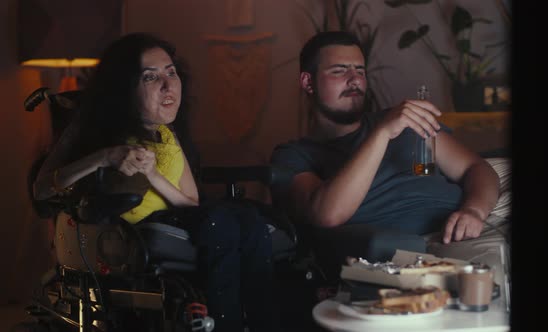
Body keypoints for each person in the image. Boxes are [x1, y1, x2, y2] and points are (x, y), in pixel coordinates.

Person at [33, 32, 276, 332]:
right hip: (124, 232)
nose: (167, 84)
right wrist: (104, 157)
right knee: (223, 222)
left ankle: (261, 320)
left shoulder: (167, 133)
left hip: (175, 217)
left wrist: (152, 175)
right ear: (125, 89)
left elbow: (190, 203)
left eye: (171, 72)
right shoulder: (89, 126)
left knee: (250, 217)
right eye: (150, 77)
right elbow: (41, 188)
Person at [270, 31, 501, 278]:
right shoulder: (294, 155)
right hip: (403, 254)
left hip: (471, 230)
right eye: (339, 71)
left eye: (360, 70)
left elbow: (477, 168)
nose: (354, 80)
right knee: (484, 283)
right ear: (308, 82)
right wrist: (381, 134)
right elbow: (328, 214)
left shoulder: (409, 122)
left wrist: (474, 211)